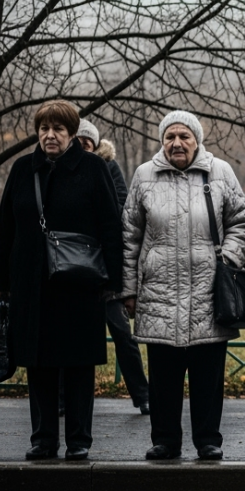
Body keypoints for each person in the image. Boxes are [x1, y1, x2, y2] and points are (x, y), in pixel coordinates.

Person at [0, 100, 124, 460]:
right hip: (31, 285)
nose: (50, 135)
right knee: (39, 365)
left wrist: (115, 281)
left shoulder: (93, 168)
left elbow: (111, 226)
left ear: (72, 133)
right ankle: (43, 438)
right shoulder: (23, 169)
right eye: (44, 129)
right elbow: (4, 229)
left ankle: (79, 440)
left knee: (79, 365)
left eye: (58, 129)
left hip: (80, 285)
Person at [121, 111, 245, 460]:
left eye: (184, 136)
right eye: (170, 137)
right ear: (162, 141)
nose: (177, 143)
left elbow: (241, 222)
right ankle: (165, 441)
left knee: (207, 375)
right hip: (158, 293)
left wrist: (227, 260)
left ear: (197, 140)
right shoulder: (144, 175)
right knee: (163, 376)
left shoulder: (219, 171)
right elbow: (130, 236)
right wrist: (129, 289)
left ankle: (208, 440)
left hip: (208, 293)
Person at [71, 119, 149, 415]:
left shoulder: (109, 167)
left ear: (95, 145)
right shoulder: (62, 168)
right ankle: (65, 399)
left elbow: (121, 209)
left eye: (86, 144)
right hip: (74, 270)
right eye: (76, 143)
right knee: (72, 338)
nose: (81, 149)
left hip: (105, 271)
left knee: (123, 336)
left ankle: (143, 395)